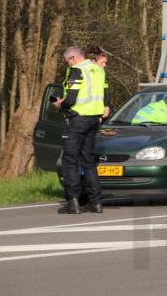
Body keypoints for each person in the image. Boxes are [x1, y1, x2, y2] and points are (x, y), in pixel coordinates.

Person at [53, 46, 107, 215]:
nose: (67, 65)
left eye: (67, 62)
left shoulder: (76, 71)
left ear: (72, 58)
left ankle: (73, 202)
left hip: (77, 120)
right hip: (93, 120)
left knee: (70, 161)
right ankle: (96, 202)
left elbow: (71, 99)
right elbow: (105, 94)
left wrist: (59, 104)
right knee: (89, 162)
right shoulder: (98, 70)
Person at [89, 45, 111, 122]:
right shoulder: (87, 73)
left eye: (105, 62)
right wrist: (96, 115)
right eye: (102, 62)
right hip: (91, 113)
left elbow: (105, 91)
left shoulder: (102, 72)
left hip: (101, 111)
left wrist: (107, 106)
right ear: (94, 61)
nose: (105, 65)